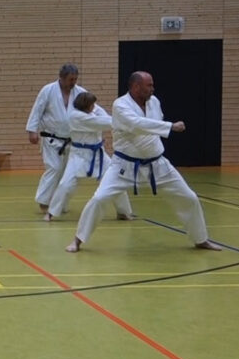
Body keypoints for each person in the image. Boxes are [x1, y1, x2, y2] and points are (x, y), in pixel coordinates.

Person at [66, 72, 221, 253]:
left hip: (157, 163)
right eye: (149, 85)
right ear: (136, 87)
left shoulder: (154, 102)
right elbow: (137, 124)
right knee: (99, 198)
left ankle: (201, 239)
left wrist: (161, 128)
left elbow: (154, 123)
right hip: (124, 165)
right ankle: (78, 240)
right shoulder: (120, 105)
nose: (152, 89)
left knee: (189, 198)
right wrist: (170, 126)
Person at [46, 92, 133, 221]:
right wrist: (128, 121)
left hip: (99, 154)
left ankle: (124, 212)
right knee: (66, 184)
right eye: (92, 105)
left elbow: (104, 116)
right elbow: (105, 122)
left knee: (115, 180)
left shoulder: (93, 109)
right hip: (79, 156)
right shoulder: (75, 116)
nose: (94, 106)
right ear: (85, 106)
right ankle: (51, 212)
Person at [26, 64, 88, 212]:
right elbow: (37, 110)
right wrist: (32, 130)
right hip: (51, 138)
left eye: (75, 79)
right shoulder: (48, 90)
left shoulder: (81, 93)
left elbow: (90, 113)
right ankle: (44, 201)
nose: (73, 82)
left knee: (68, 174)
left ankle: (60, 203)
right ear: (61, 77)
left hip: (72, 140)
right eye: (71, 79)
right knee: (54, 168)